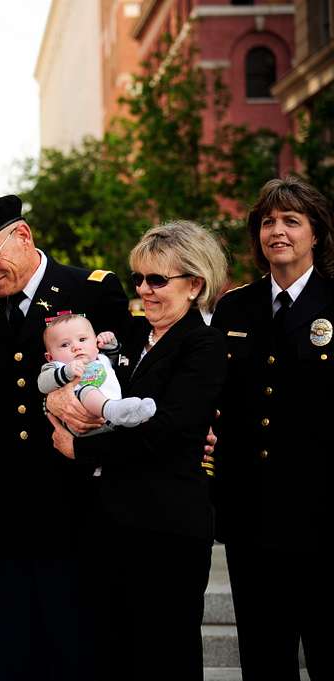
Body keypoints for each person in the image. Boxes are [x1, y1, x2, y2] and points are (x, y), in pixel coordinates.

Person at [0, 195, 129, 681]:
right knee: (14, 643)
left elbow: (123, 383)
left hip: (74, 499)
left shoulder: (92, 290)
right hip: (5, 502)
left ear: (23, 237)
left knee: (78, 642)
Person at [46, 220, 228, 681]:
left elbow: (168, 430)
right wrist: (64, 397)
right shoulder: (128, 337)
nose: (144, 290)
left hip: (168, 527)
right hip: (111, 521)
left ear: (195, 285)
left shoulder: (203, 346)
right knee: (113, 652)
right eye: (139, 279)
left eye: (157, 280)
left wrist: (80, 448)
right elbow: (76, 377)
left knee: (165, 653)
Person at [211, 176, 334, 681]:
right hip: (252, 515)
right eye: (268, 222)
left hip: (322, 515)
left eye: (290, 221)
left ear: (316, 234)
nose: (276, 231)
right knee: (263, 656)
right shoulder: (235, 307)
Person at [38, 313, 156, 434]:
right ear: (50, 357)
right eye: (64, 345)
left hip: (113, 424)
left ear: (95, 342)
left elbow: (121, 366)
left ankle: (132, 415)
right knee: (87, 390)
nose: (76, 347)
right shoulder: (58, 366)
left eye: (82, 339)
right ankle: (112, 409)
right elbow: (42, 384)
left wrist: (111, 346)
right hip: (82, 421)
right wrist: (66, 371)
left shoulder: (102, 358)